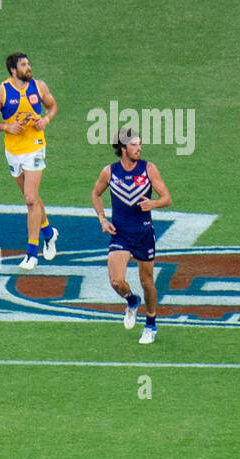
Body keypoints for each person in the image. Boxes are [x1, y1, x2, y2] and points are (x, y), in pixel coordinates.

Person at [91, 128, 171, 345]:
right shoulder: (110, 172)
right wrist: (102, 219)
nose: (139, 148)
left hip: (144, 234)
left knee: (147, 282)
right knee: (116, 280)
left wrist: (152, 203)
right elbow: (96, 193)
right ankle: (132, 301)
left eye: (139, 144)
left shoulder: (148, 169)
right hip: (121, 235)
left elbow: (166, 197)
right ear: (123, 148)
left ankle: (151, 324)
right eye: (134, 144)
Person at [0, 52, 58, 269]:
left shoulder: (39, 87)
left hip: (34, 148)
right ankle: (49, 233)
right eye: (24, 65)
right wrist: (7, 127)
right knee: (31, 198)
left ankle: (32, 253)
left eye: (28, 63)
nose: (29, 67)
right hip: (13, 151)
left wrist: (45, 120)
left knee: (30, 198)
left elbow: (52, 106)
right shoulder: (2, 92)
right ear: (13, 70)